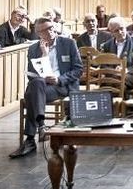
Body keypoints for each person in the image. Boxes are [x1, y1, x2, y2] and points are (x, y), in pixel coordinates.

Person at [9, 17, 84, 158]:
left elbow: (78, 70)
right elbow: (32, 75)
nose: (49, 32)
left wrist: (59, 79)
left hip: (61, 86)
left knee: (32, 92)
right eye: (44, 30)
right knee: (36, 85)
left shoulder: (69, 43)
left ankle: (30, 140)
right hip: (43, 87)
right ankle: (41, 125)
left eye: (50, 27)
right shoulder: (33, 49)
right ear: (38, 34)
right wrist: (44, 55)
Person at [99, 16, 133, 89]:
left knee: (118, 82)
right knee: (113, 83)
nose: (120, 32)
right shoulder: (107, 45)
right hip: (114, 75)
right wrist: (114, 71)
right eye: (116, 30)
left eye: (122, 29)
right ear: (111, 32)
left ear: (125, 28)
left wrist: (127, 70)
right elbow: (103, 65)